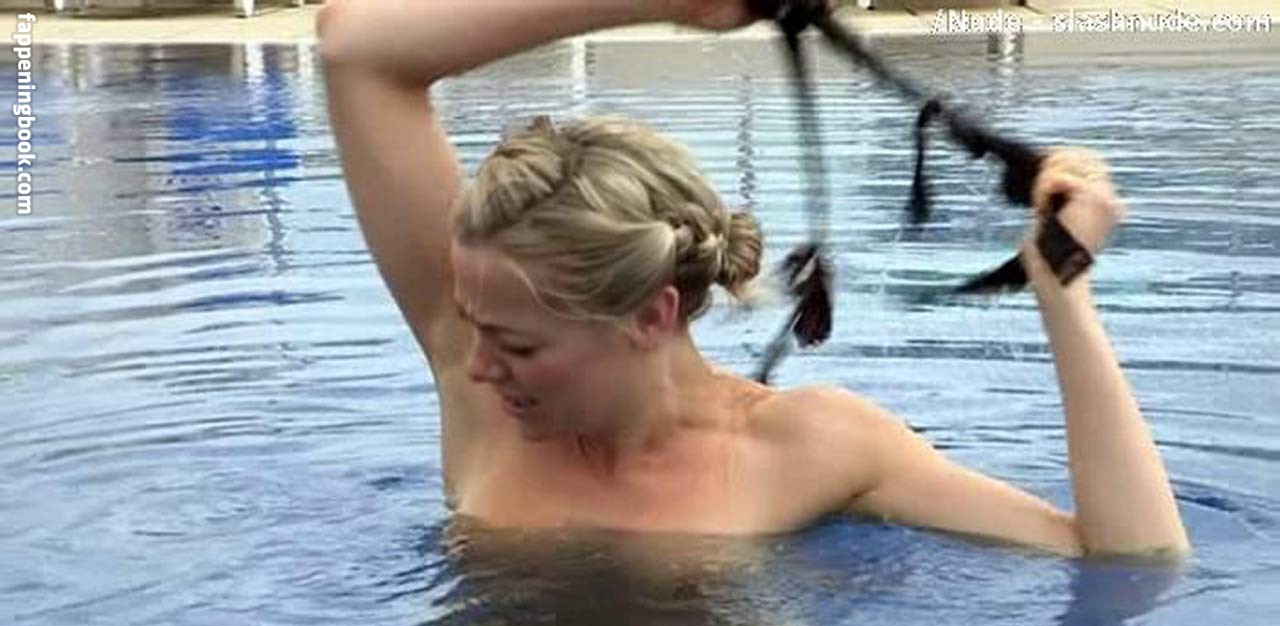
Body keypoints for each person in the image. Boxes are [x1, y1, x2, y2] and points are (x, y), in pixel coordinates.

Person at [315, 0, 1191, 560]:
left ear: (650, 316)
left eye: (517, 345)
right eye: (476, 328)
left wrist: (1061, 290)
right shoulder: (481, 383)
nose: (476, 364)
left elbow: (1132, 560)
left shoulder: (807, 447)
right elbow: (354, 48)